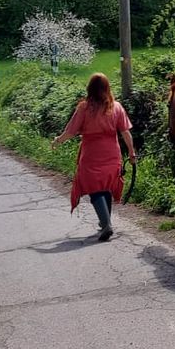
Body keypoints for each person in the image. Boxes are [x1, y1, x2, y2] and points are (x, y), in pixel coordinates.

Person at [52, 73, 134, 241]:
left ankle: (106, 225)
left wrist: (58, 140)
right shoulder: (116, 107)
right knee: (105, 187)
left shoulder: (84, 108)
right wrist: (132, 153)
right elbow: (126, 133)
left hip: (91, 154)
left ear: (90, 88)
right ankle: (105, 222)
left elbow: (71, 131)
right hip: (112, 153)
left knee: (95, 188)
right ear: (107, 88)